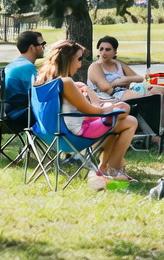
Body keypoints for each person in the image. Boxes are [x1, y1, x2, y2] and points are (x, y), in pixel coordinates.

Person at [34, 40, 138, 181]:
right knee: (130, 120)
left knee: (119, 122)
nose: (80, 64)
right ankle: (114, 170)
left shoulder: (45, 80)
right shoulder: (66, 82)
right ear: (68, 60)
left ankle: (107, 167)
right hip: (73, 134)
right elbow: (91, 111)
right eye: (79, 59)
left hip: (49, 133)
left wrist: (92, 96)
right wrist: (112, 107)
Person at [89, 36, 164, 130]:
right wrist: (119, 83)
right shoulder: (95, 66)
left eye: (107, 49)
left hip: (126, 90)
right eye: (101, 49)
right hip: (111, 96)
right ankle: (157, 132)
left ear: (115, 52)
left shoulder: (118, 64)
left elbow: (139, 78)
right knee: (153, 98)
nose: (103, 52)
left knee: (160, 90)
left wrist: (122, 80)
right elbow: (105, 87)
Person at [4, 30, 46, 124]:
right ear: (32, 48)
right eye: (42, 44)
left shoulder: (13, 65)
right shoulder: (27, 67)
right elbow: (37, 95)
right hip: (19, 115)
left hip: (6, 113)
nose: (43, 47)